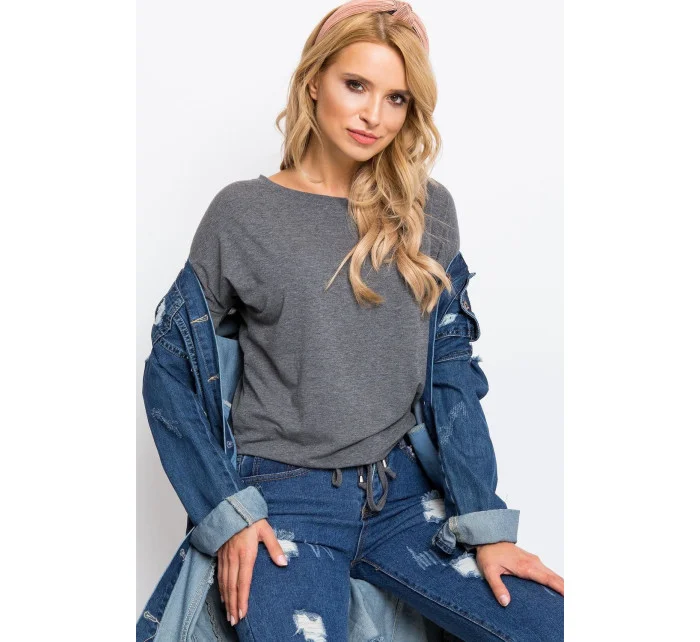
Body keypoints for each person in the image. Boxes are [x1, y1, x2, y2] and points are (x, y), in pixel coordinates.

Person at [187, 1, 564, 639]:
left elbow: (450, 371)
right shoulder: (243, 212)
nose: (374, 116)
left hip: (405, 495)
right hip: (284, 501)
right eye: (356, 85)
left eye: (396, 98)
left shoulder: (427, 210)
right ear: (314, 81)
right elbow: (173, 371)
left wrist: (486, 524)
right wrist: (228, 511)